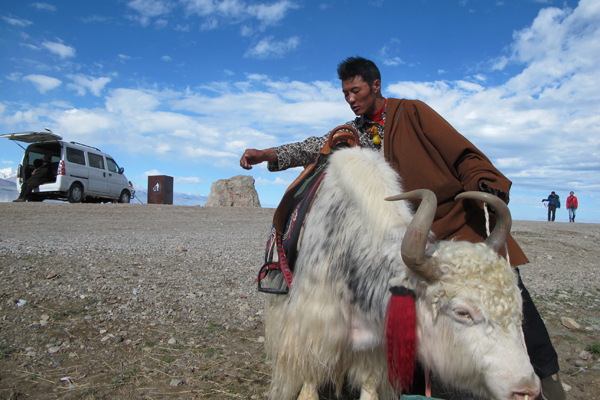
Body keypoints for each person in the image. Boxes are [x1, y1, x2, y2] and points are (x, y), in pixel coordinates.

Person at [240, 57, 565, 400]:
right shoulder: (358, 132)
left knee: (504, 302)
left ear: (375, 85)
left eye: (356, 90)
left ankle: (547, 384)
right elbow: (313, 146)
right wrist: (269, 155)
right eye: (345, 93)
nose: (350, 98)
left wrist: (485, 185)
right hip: (409, 238)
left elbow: (462, 153)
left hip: (454, 221)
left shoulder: (413, 112)